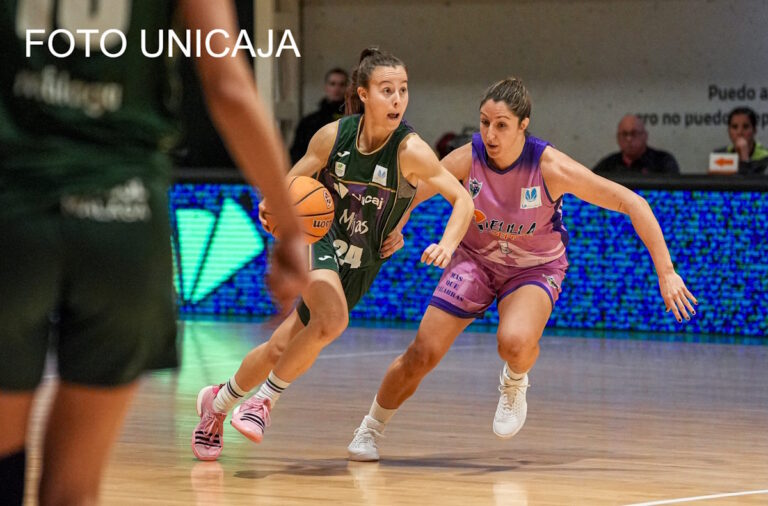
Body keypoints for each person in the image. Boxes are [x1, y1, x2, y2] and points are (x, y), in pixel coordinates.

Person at [0, 1, 308, 504]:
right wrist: (290, 230)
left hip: (14, 209)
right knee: (73, 490)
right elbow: (229, 86)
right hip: (124, 220)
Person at [346, 77, 698, 462]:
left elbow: (634, 203)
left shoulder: (550, 166)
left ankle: (514, 381)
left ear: (522, 125)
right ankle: (370, 429)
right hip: (476, 261)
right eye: (484, 122)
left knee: (512, 342)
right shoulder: (469, 156)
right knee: (422, 353)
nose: (490, 134)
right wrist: (396, 225)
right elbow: (412, 192)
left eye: (501, 125)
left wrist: (666, 272)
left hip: (534, 268)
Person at [191, 47, 474, 461]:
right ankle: (262, 402)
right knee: (334, 319)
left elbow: (461, 199)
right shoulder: (332, 136)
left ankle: (216, 404)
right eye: (386, 90)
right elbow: (287, 186)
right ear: (363, 94)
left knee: (278, 348)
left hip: (361, 262)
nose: (397, 100)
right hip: (318, 239)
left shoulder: (411, 151)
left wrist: (445, 243)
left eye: (403, 90)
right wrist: (273, 212)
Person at [289, 67, 349, 164]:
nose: (337, 89)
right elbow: (297, 154)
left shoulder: (354, 120)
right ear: (326, 87)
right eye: (333, 84)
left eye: (342, 84)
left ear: (348, 88)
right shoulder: (309, 122)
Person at [593, 114, 680, 176]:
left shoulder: (663, 161)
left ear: (645, 136)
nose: (629, 139)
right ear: (617, 138)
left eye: (634, 133)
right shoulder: (608, 165)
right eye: (624, 134)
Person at [714, 106, 768, 175]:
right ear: (728, 131)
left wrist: (744, 158)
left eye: (745, 127)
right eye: (734, 127)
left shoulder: (765, 158)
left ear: (754, 130)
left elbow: (751, 184)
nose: (739, 132)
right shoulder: (719, 155)